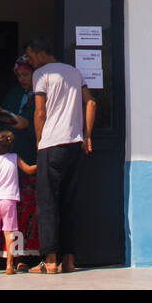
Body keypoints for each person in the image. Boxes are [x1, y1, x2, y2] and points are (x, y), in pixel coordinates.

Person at [26, 34, 95, 274]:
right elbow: (91, 103)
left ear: (41, 53)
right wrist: (87, 135)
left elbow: (39, 112)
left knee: (47, 203)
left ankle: (51, 261)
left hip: (51, 145)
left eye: (31, 56)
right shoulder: (75, 73)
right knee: (68, 202)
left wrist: (38, 141)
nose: (31, 61)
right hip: (74, 144)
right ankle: (69, 261)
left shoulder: (41, 75)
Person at [0, 58, 39, 263]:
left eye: (25, 75)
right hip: (10, 157)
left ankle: (23, 256)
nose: (22, 79)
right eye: (19, 76)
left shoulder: (42, 94)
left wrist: (30, 127)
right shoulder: (15, 94)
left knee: (26, 210)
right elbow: (6, 117)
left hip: (30, 154)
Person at [0, 129, 37, 273]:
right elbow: (28, 170)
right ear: (10, 146)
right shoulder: (14, 158)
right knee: (9, 233)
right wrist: (42, 163)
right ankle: (10, 265)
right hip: (9, 201)